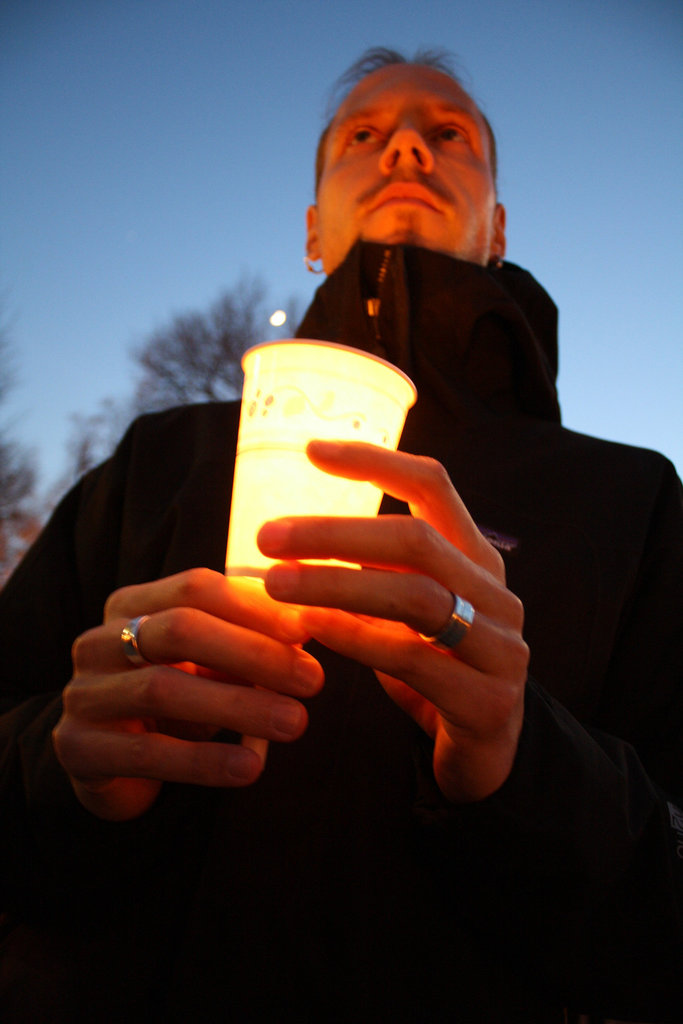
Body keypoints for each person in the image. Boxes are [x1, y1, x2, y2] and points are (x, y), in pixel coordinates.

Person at [0, 47, 681, 1024]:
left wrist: (520, 764)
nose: (405, 143)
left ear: (496, 227)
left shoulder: (630, 497)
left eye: (449, 134)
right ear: (314, 229)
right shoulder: (165, 458)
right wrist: (70, 770)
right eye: (361, 135)